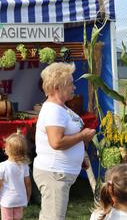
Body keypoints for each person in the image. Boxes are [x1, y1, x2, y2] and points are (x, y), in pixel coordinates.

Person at [33, 62, 96, 220]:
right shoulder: (54, 110)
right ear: (57, 87)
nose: (74, 87)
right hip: (54, 173)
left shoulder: (60, 108)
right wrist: (83, 136)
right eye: (70, 84)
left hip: (58, 173)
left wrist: (78, 157)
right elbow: (56, 142)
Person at [0, 132, 32, 220]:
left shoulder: (2, 166)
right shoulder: (24, 166)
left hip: (7, 199)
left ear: (7, 150)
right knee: (17, 218)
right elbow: (28, 183)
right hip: (20, 199)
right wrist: (28, 196)